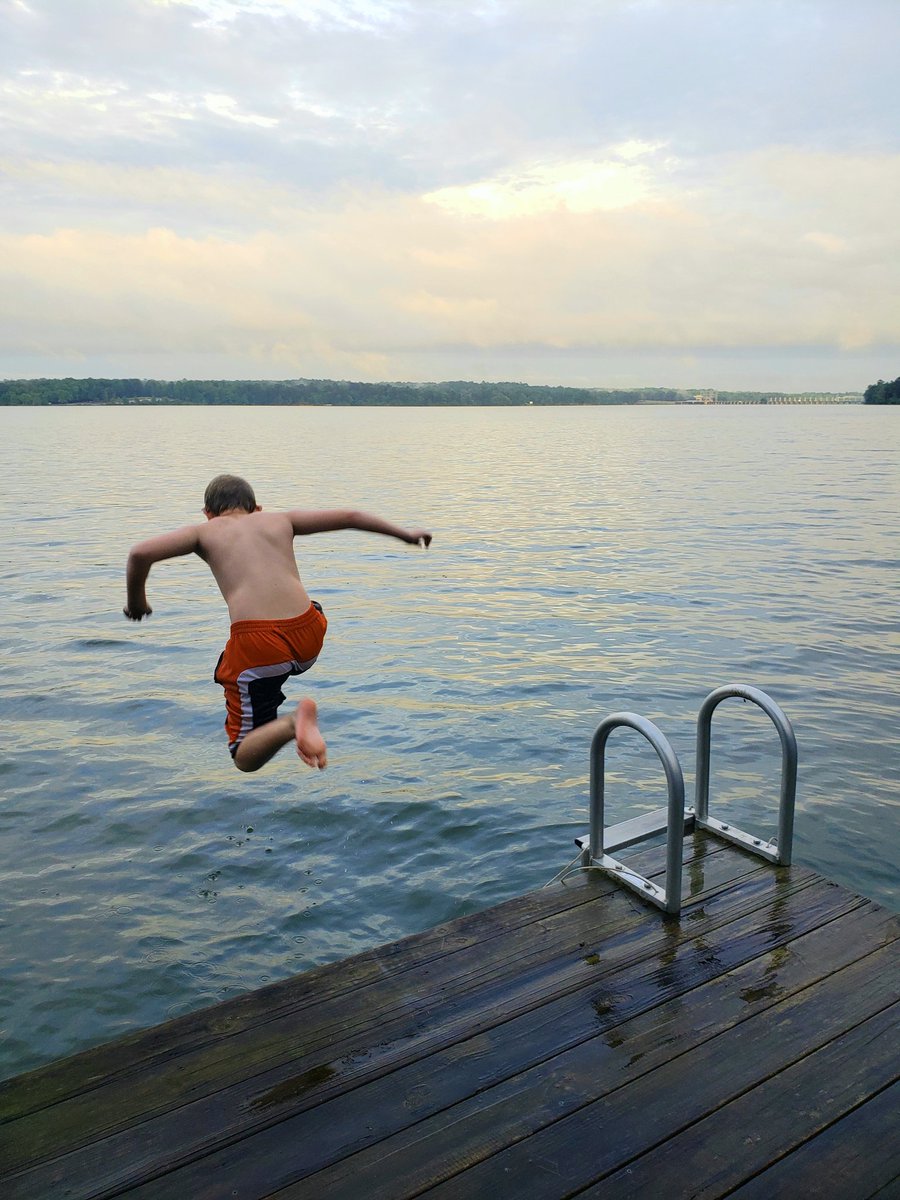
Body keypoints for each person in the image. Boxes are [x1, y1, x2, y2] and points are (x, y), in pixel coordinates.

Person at [124, 473, 431, 773]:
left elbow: (140, 553)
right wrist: (405, 534)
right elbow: (351, 515)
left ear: (208, 514)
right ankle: (277, 698)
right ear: (257, 508)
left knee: (243, 756)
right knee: (309, 610)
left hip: (260, 650)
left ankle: (291, 723)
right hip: (309, 636)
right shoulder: (280, 519)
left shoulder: (204, 532)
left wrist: (137, 602)